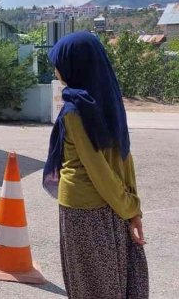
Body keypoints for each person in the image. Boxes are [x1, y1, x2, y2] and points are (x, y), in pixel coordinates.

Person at [43, 32, 148, 298]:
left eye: (59, 63)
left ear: (75, 65)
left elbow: (98, 170)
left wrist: (130, 208)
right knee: (114, 282)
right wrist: (132, 208)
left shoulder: (75, 111)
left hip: (83, 211)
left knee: (92, 286)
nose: (56, 70)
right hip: (115, 206)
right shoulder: (108, 102)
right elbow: (124, 159)